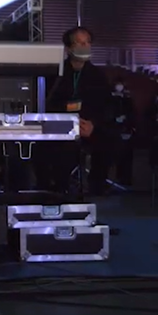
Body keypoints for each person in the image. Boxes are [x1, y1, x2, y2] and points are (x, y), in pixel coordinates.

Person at [36, 26, 110, 195]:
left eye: (87, 42)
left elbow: (105, 105)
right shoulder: (55, 73)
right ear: (69, 48)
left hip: (88, 125)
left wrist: (93, 123)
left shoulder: (98, 75)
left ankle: (97, 185)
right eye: (79, 43)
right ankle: (55, 188)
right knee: (52, 148)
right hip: (60, 125)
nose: (85, 46)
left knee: (110, 139)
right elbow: (47, 103)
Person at [105, 76, 135, 186]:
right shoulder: (109, 99)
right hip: (112, 131)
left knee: (126, 157)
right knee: (110, 156)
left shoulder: (127, 99)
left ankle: (125, 178)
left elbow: (132, 114)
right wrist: (115, 119)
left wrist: (129, 125)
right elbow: (106, 115)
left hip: (126, 131)